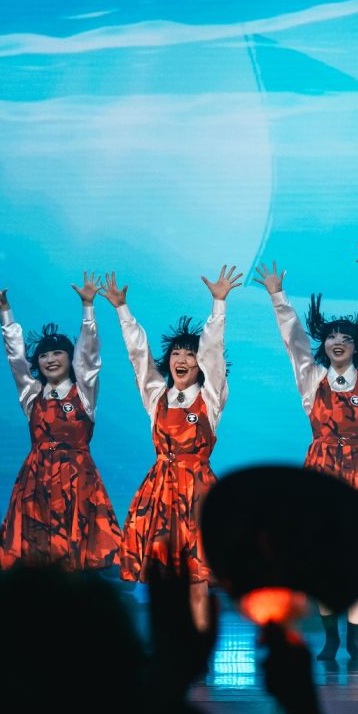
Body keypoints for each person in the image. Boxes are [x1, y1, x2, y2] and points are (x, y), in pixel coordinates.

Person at [254, 260, 358, 661]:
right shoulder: (312, 380)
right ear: (324, 344)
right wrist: (277, 296)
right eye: (332, 336)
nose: (338, 341)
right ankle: (331, 638)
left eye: (346, 337)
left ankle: (354, 640)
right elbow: (294, 343)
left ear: (355, 346)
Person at [108, 267, 241, 633]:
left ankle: (198, 650)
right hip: (160, 495)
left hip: (198, 494)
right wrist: (122, 310)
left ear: (200, 365)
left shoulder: (211, 399)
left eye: (190, 355)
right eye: (176, 354)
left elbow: (214, 352)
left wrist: (218, 305)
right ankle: (170, 648)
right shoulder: (157, 397)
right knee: (164, 582)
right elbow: (139, 356)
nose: (181, 360)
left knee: (198, 582)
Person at [0, 274, 121, 571]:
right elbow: (16, 360)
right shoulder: (32, 395)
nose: (50, 359)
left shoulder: (83, 393)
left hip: (77, 480)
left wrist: (88, 308)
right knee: (36, 560)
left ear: (70, 359)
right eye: (44, 355)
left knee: (74, 558)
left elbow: (89, 356)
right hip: (36, 482)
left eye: (58, 353)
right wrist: (5, 312)